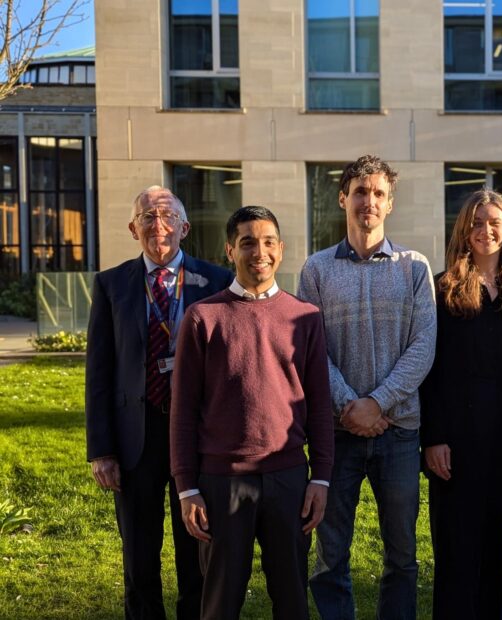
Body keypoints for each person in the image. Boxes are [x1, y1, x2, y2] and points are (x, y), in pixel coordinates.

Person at [169, 206, 334, 619]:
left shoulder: (306, 318)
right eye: (247, 242)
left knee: (293, 600)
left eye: (267, 242)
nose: (258, 251)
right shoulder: (203, 318)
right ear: (230, 250)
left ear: (280, 250)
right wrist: (187, 487)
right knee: (220, 603)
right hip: (221, 482)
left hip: (289, 481)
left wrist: (322, 478)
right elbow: (183, 410)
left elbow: (319, 403)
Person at [298, 154, 437, 620]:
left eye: (378, 193)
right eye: (360, 191)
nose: (368, 201)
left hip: (399, 432)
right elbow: (313, 353)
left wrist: (376, 403)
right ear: (343, 199)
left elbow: (423, 347)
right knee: (330, 553)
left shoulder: (414, 267)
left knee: (401, 554)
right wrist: (349, 407)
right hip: (336, 434)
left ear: (390, 204)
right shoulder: (315, 270)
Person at [85, 186, 232, 619]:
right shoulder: (111, 285)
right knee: (139, 554)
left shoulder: (217, 281)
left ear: (184, 227)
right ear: (133, 228)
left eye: (167, 215)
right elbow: (99, 373)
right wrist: (102, 449)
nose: (158, 225)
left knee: (197, 549)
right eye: (147, 216)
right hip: (137, 436)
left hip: (196, 437)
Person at [421, 189, 502, 619]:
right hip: (455, 442)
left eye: (494, 222)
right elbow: (429, 370)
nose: (485, 230)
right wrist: (433, 437)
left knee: (496, 547)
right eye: (476, 222)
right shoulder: (439, 287)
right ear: (463, 230)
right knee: (455, 551)